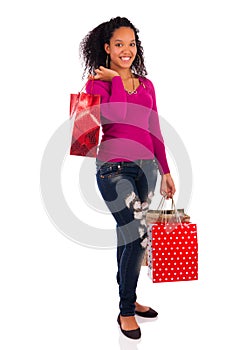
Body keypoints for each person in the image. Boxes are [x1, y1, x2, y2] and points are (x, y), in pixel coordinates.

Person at [79, 16, 176, 340]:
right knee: (135, 235)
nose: (126, 50)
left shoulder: (146, 85)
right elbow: (116, 116)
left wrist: (165, 169)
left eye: (131, 43)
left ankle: (130, 299)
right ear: (107, 47)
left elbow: (154, 129)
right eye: (119, 44)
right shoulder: (97, 84)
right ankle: (125, 311)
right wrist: (117, 82)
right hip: (113, 168)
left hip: (146, 168)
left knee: (128, 237)